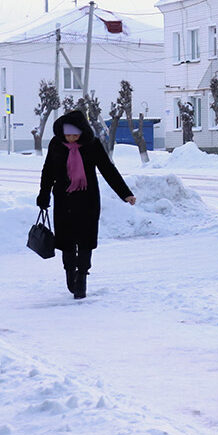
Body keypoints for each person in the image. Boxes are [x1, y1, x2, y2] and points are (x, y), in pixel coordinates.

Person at [36, 109, 135, 300]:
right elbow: (47, 171)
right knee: (66, 241)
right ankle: (69, 273)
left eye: (75, 134)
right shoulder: (57, 145)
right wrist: (43, 196)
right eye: (68, 134)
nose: (71, 138)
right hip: (64, 200)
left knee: (85, 241)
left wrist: (125, 193)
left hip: (87, 200)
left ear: (82, 132)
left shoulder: (92, 145)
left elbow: (108, 169)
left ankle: (81, 275)